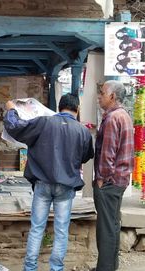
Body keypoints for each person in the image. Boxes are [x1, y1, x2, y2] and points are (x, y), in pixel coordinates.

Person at [4, 94, 94, 271]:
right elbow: (86, 156)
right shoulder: (82, 131)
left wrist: (11, 110)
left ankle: (30, 268)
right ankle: (56, 268)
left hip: (42, 184)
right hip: (66, 186)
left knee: (37, 228)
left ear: (60, 107)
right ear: (77, 109)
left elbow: (15, 127)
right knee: (61, 231)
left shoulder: (43, 123)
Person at [92, 81, 134, 271]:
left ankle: (105, 268)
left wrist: (102, 178)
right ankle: (110, 266)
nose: (99, 96)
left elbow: (108, 154)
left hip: (109, 182)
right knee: (113, 225)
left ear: (113, 97)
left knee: (106, 228)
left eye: (102, 93)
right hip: (120, 180)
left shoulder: (111, 119)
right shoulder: (123, 115)